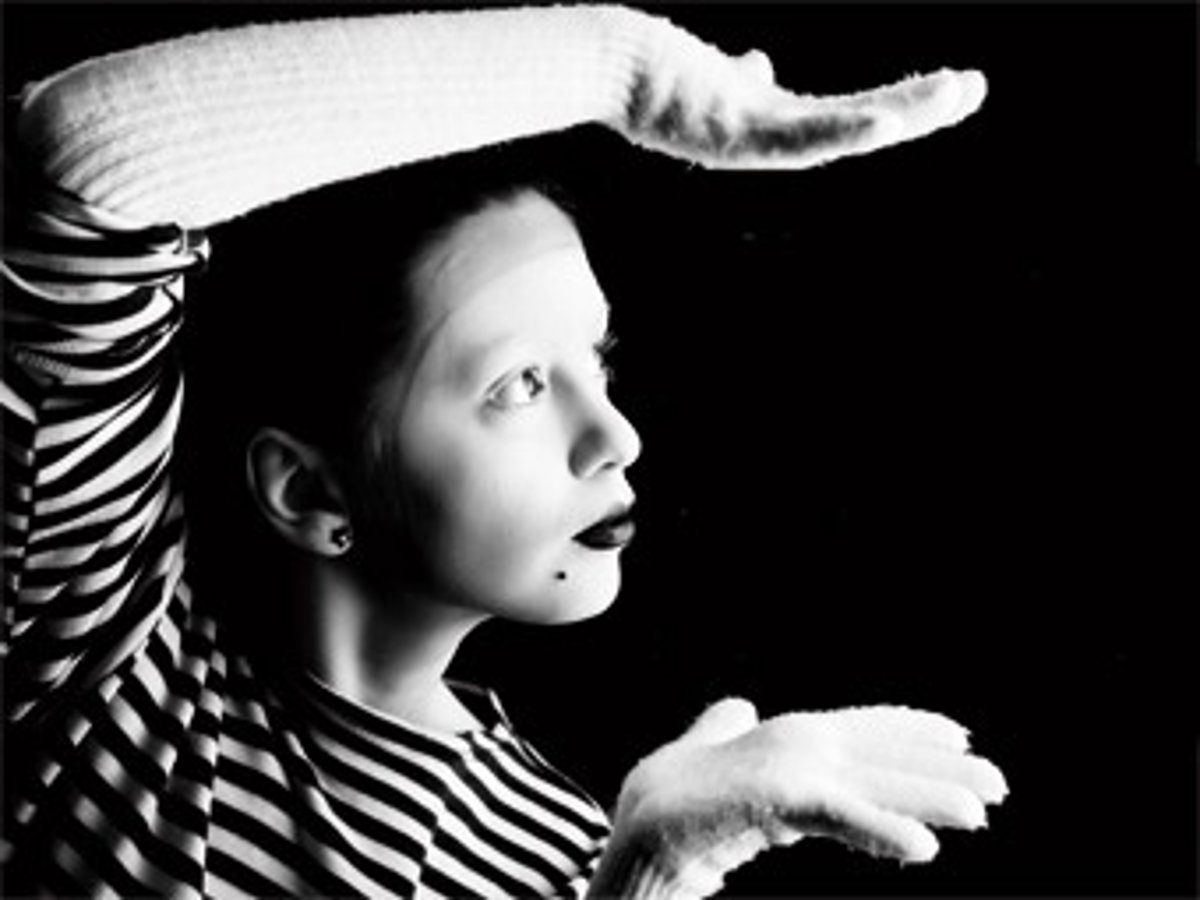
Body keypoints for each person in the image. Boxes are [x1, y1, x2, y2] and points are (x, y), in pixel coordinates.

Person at [2, 5, 1005, 897]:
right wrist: (624, 69)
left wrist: (649, 878)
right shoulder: (101, 661)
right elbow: (77, 163)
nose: (617, 436)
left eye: (597, 360)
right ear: (309, 490)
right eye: (520, 384)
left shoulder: (573, 848)